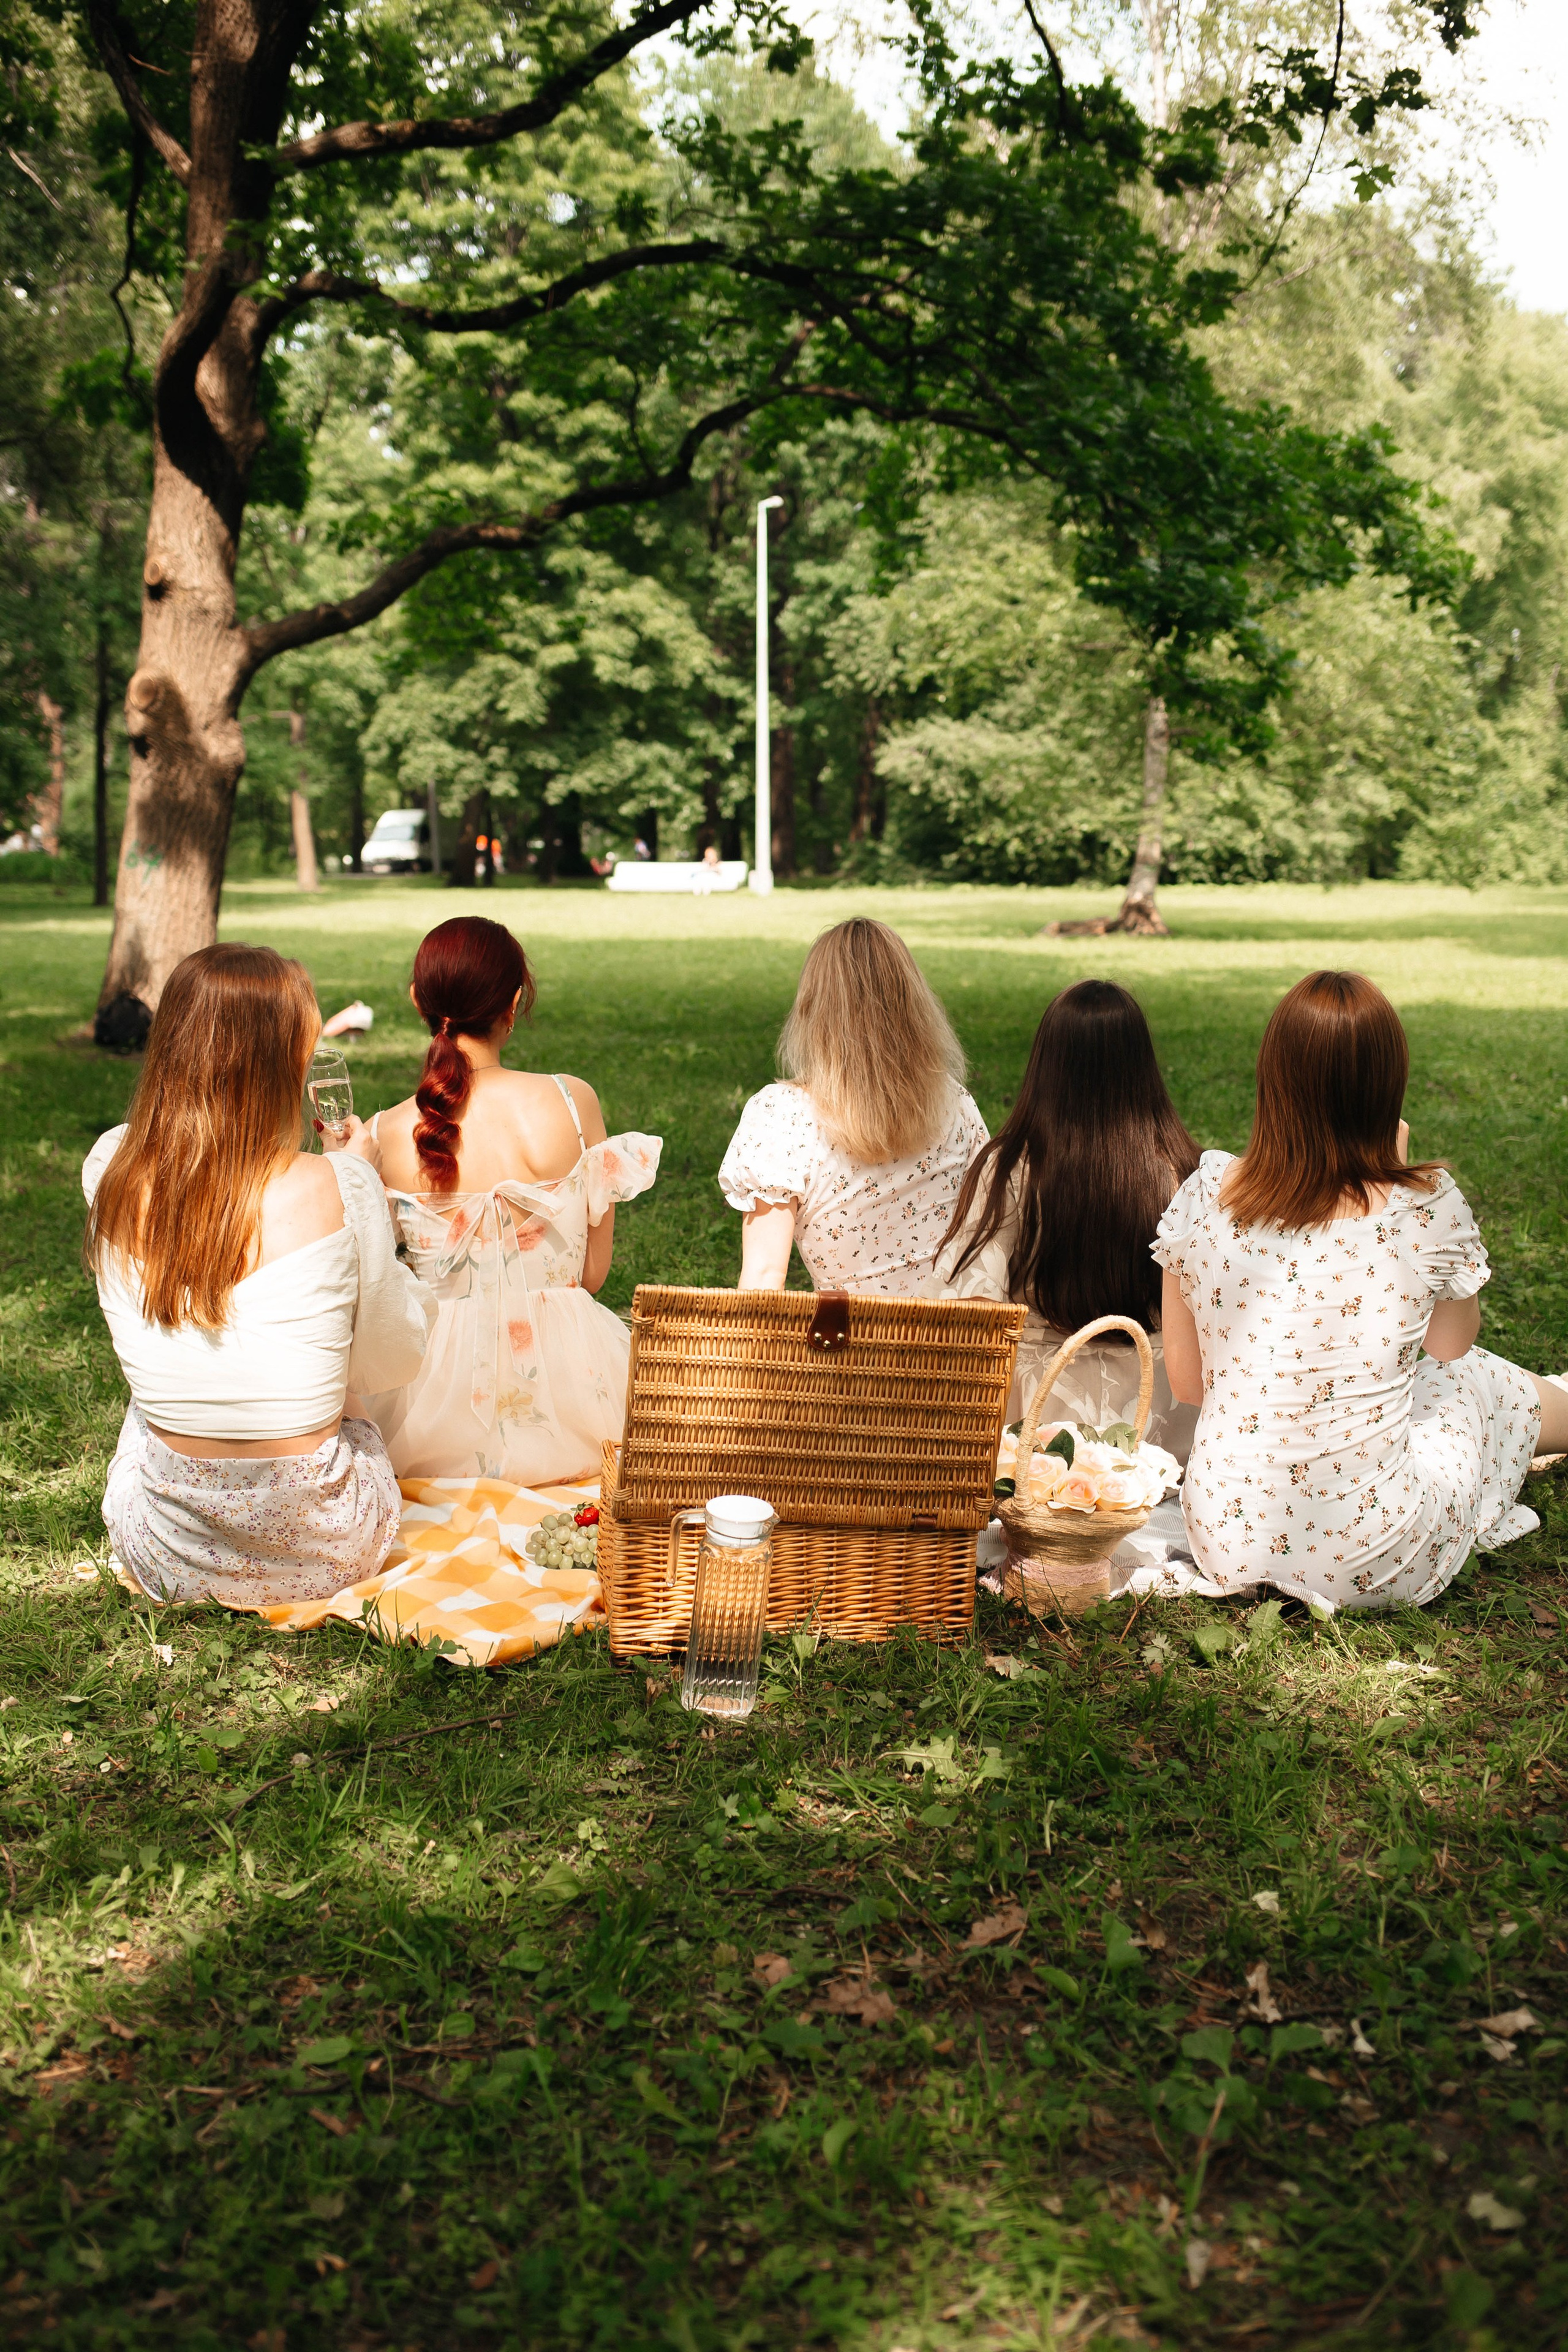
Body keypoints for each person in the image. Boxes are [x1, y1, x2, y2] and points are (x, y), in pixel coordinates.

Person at [1153, 969, 1568, 1610]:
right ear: (1386, 1085)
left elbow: (1187, 1384)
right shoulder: (1422, 1207)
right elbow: (1450, 1346)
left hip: (1227, 1542)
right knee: (1467, 1378)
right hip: (1377, 1557)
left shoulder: (1206, 1194)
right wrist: (1393, 1171)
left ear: (1273, 1080)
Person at [83, 944, 435, 1607]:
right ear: (285, 1061)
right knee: (343, 1382)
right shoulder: (341, 1186)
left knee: (159, 1387)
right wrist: (359, 1183)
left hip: (169, 1555)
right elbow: (390, 1362)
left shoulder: (111, 1167)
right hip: (330, 1551)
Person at [360, 916, 660, 1484]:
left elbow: (377, 1296)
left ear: (418, 1000)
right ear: (515, 1002)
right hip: (573, 1384)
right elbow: (592, 1276)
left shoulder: (382, 1134)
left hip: (435, 1405)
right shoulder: (572, 1101)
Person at [936, 979, 1200, 1454]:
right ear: (1142, 1064)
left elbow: (970, 1306)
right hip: (1160, 1407)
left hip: (1039, 1412)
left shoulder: (1010, 1167)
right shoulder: (1184, 1169)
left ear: (1047, 1064)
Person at [718, 917, 988, 1294]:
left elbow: (764, 1278)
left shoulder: (782, 1115)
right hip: (956, 1328)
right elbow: (985, 1241)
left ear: (811, 1008)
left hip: (846, 1332)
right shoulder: (954, 1103)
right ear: (913, 1006)